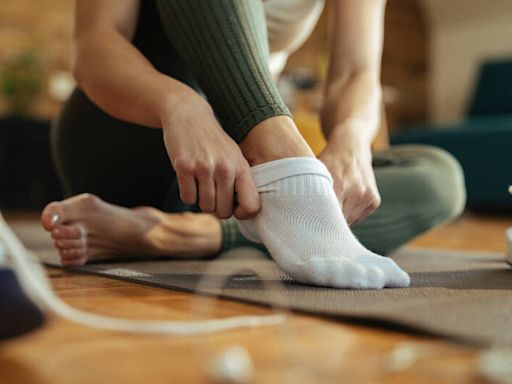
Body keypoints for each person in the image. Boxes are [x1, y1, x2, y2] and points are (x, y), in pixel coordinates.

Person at [41, 0, 465, 289]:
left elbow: (356, 73)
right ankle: (284, 165)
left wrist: (351, 140)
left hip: (243, 183)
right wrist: (181, 107)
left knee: (440, 177)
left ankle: (181, 235)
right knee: (288, 173)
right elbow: (94, 45)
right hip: (135, 134)